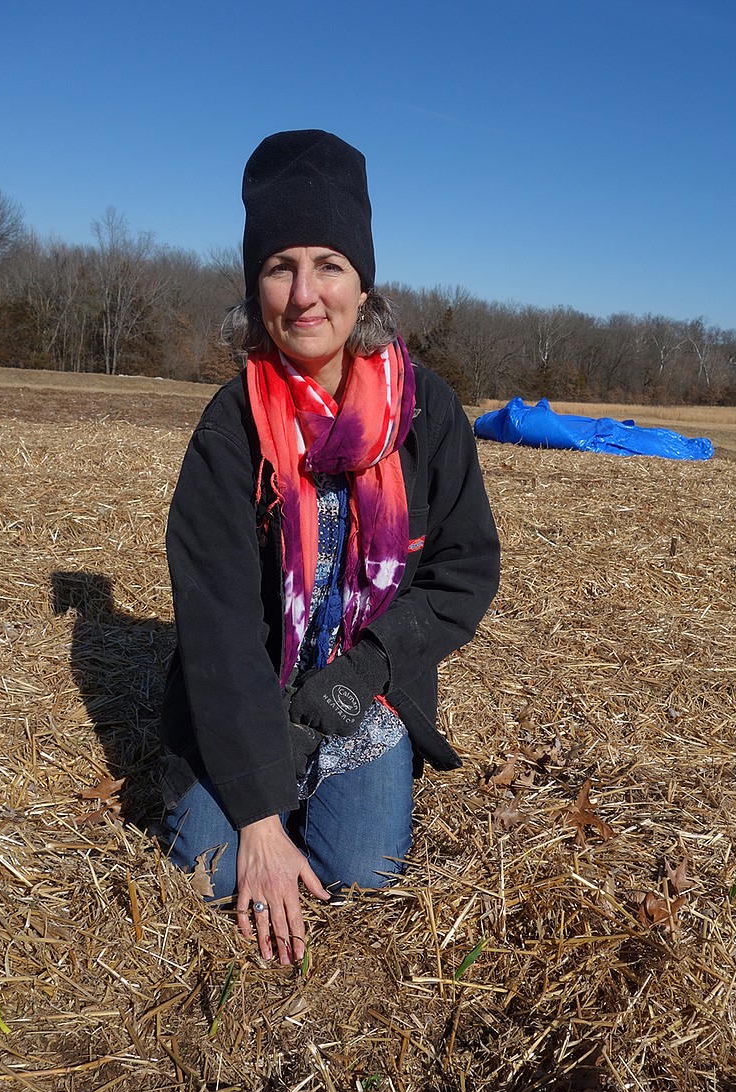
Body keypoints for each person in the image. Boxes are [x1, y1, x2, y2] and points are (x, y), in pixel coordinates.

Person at [158, 130, 500, 965]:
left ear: (362, 284)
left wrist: (370, 672)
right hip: (249, 689)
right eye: (280, 267)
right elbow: (220, 628)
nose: (305, 294)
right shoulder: (231, 427)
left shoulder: (426, 412)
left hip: (363, 691)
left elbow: (464, 569)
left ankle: (334, 786)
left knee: (365, 874)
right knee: (208, 867)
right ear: (255, 285)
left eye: (329, 265)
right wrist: (261, 821)